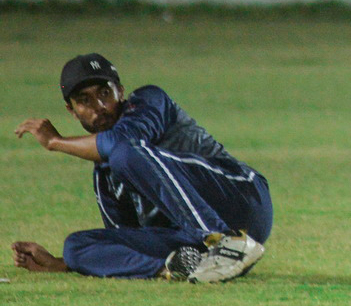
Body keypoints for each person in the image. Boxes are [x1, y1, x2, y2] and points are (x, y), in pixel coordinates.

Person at [11, 53, 272, 283]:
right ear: (72, 110)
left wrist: (55, 141)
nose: (99, 106)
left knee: (123, 153)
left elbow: (119, 143)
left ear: (120, 91)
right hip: (191, 237)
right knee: (76, 246)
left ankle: (227, 241)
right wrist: (66, 263)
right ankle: (177, 268)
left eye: (105, 93)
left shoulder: (150, 101)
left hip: (241, 197)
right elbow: (126, 239)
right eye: (84, 100)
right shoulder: (104, 176)